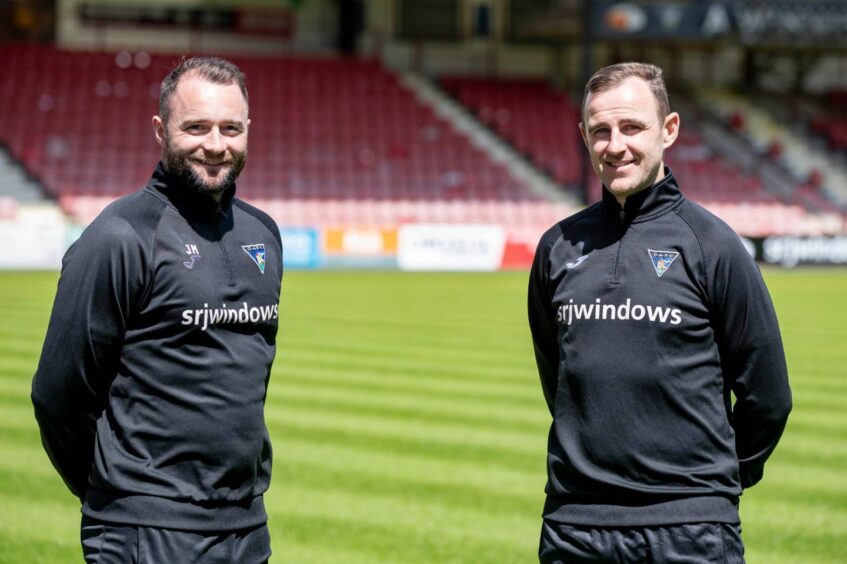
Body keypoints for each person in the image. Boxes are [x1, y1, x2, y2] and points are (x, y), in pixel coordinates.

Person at [527, 62, 792, 563]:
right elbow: (558, 380)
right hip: (575, 527)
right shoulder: (557, 248)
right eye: (600, 131)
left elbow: (768, 396)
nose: (615, 144)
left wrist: (711, 483)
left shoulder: (713, 245)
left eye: (632, 127)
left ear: (668, 130)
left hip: (689, 529)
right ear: (583, 135)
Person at [32, 56, 282, 563]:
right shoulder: (120, 237)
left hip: (246, 527)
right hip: (144, 531)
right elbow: (58, 396)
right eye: (196, 127)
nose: (215, 144)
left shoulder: (264, 235)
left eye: (230, 128)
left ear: (247, 130)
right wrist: (118, 494)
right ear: (160, 129)